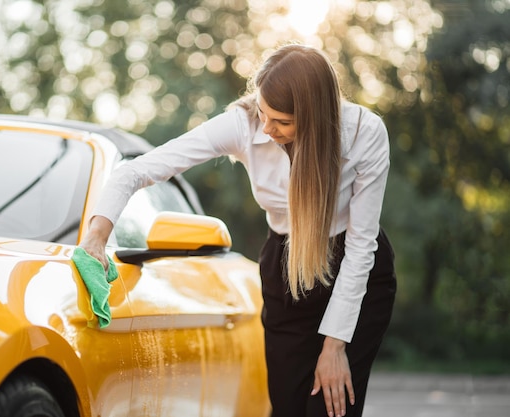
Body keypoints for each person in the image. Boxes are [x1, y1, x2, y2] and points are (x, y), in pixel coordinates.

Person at [80, 43, 397, 417]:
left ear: (313, 118)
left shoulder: (364, 132)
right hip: (286, 270)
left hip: (354, 270)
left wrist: (335, 347)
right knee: (288, 408)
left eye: (281, 121)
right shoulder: (244, 125)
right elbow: (139, 169)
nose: (266, 127)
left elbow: (362, 245)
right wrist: (96, 236)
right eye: (263, 112)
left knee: (329, 409)